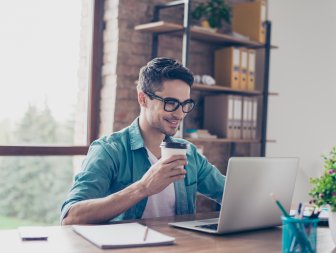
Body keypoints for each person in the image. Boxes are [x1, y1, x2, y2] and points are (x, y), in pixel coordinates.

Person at [61, 57, 225, 225]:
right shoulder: (109, 151)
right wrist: (143, 187)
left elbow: (229, 193)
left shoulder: (189, 153)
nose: (180, 114)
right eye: (170, 103)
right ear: (143, 98)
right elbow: (71, 217)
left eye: (185, 104)